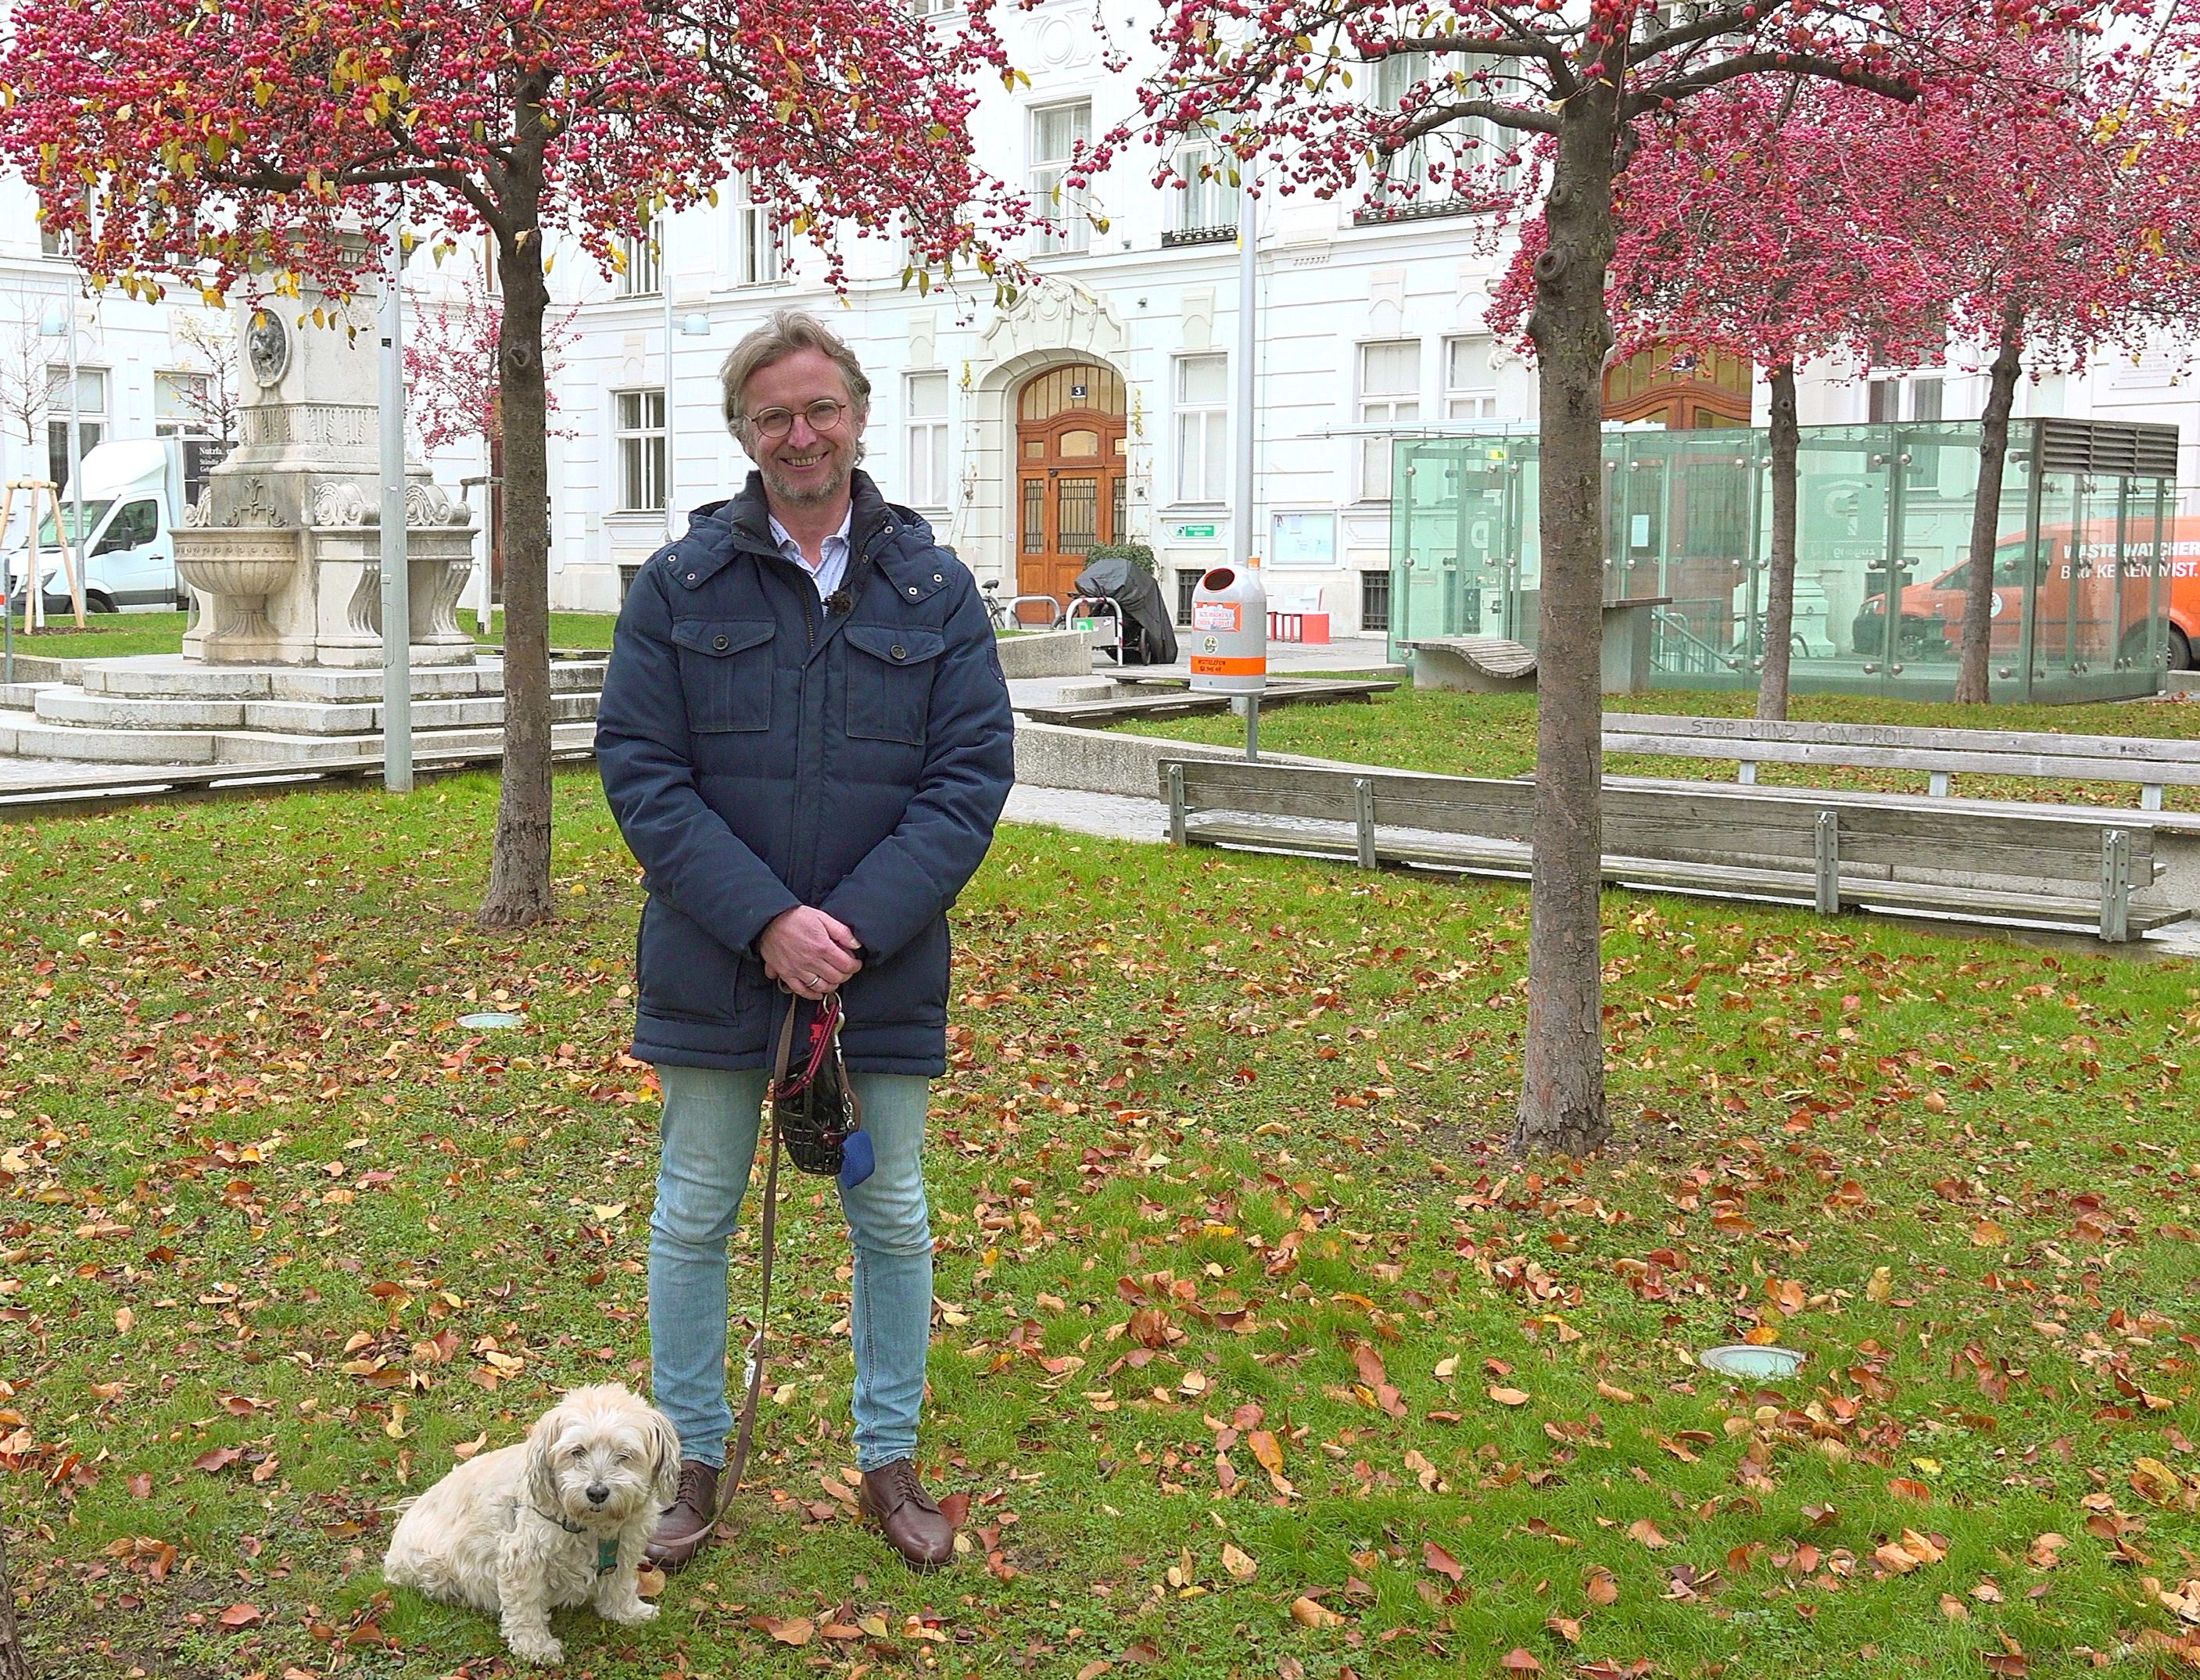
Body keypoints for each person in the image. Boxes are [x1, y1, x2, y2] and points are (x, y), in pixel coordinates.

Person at [594, 309, 1015, 1574]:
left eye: (819, 407)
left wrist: (848, 931)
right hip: (715, 962)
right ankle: (691, 1462)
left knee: (889, 1218)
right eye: (773, 413)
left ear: (858, 415)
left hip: (877, 977)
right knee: (693, 1213)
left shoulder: (933, 590)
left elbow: (969, 778)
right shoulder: (678, 586)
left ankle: (887, 1459)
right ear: (743, 432)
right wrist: (768, 921)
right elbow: (642, 770)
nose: (800, 432)